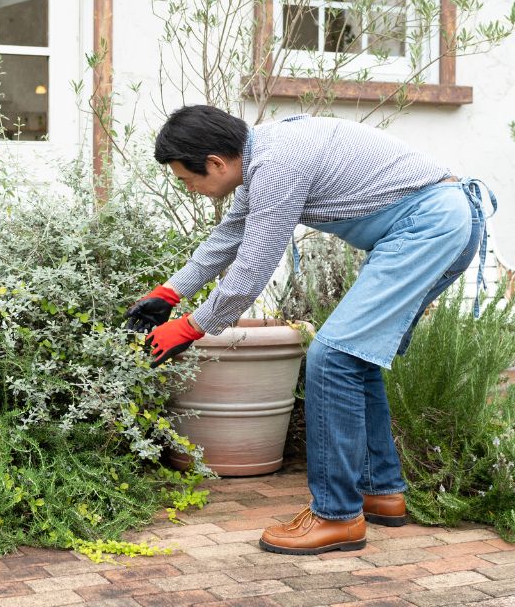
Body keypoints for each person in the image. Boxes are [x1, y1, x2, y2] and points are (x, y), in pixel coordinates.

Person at [125, 105, 493, 556]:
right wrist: (169, 293)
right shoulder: (260, 156)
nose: (194, 190)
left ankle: (337, 517)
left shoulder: (275, 165)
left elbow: (252, 269)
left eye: (190, 180)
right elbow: (228, 238)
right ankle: (381, 492)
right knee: (353, 358)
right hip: (436, 220)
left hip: (429, 225)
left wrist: (190, 329)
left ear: (216, 163)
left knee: (331, 357)